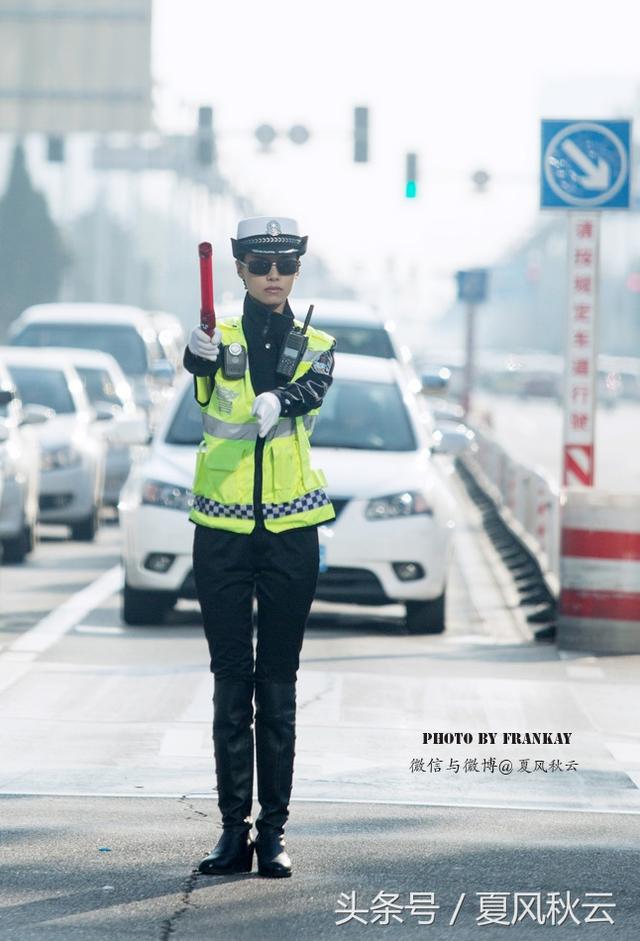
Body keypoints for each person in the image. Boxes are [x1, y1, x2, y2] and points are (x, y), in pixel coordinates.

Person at [183, 216, 336, 878]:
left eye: (284, 262)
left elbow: (312, 388)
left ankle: (272, 832)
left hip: (291, 536)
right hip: (219, 533)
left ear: (298, 268)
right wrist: (197, 354)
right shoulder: (216, 335)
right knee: (229, 683)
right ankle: (230, 829)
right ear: (239, 268)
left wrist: (281, 396)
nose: (273, 273)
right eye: (259, 262)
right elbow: (201, 383)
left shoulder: (318, 342)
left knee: (276, 683)